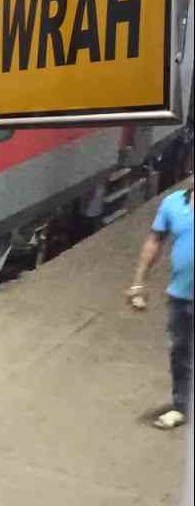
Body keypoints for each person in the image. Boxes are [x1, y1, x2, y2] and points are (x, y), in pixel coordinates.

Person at [128, 180, 194, 429]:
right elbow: (154, 241)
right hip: (181, 296)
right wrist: (138, 282)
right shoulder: (173, 203)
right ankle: (181, 406)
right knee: (181, 353)